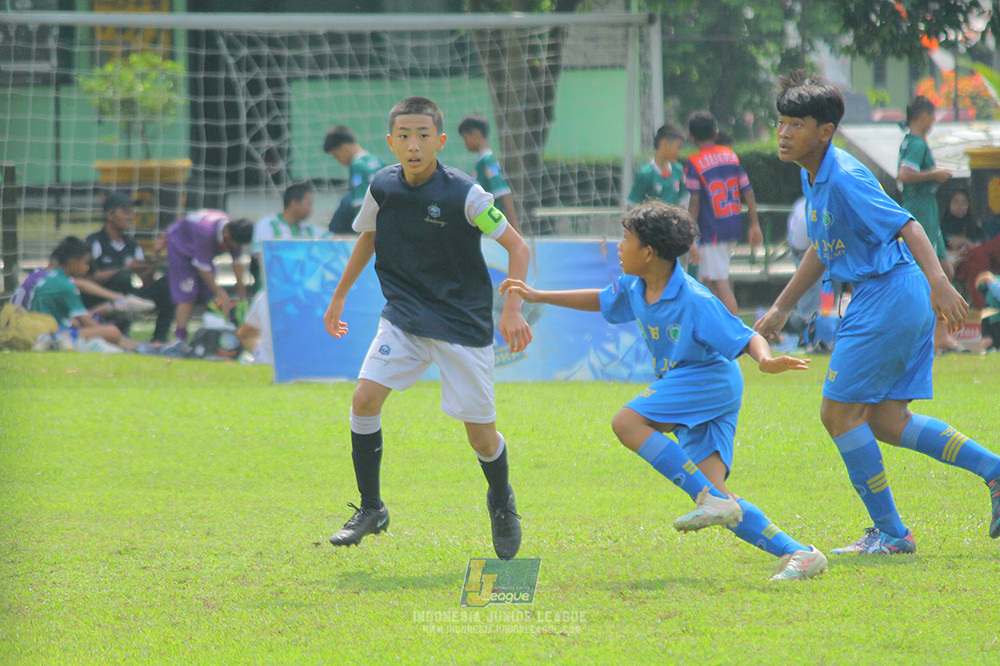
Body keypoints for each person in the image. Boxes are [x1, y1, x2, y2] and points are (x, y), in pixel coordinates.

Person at [499, 202, 826, 581]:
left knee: (626, 422)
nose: (619, 247)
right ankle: (800, 553)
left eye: (626, 239)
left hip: (708, 379)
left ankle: (713, 500)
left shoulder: (694, 299)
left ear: (649, 253)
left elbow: (747, 335)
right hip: (693, 383)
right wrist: (538, 296)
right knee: (718, 496)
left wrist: (765, 361)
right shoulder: (635, 286)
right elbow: (601, 300)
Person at [754, 70, 1000, 554]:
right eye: (781, 122)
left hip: (888, 293)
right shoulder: (814, 173)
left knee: (838, 414)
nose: (784, 133)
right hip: (891, 293)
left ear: (825, 131)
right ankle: (994, 471)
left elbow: (907, 223)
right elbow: (825, 249)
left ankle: (892, 534)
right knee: (887, 420)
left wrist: (940, 283)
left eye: (796, 124)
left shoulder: (842, 177)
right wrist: (783, 307)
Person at [322, 97, 532, 559]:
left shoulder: (466, 193)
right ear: (391, 142)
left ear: (439, 141)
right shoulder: (381, 187)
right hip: (404, 317)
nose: (413, 145)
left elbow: (518, 249)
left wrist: (512, 305)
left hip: (462, 323)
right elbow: (369, 239)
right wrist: (338, 295)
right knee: (363, 400)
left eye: (422, 136)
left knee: (481, 438)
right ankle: (372, 508)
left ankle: (501, 501)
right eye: (404, 136)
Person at [685, 110, 763, 314]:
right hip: (732, 225)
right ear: (716, 133)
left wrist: (690, 236)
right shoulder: (730, 156)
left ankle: (736, 334)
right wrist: (754, 223)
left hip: (712, 230)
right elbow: (747, 190)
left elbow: (695, 204)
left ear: (691, 136)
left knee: (720, 282)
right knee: (708, 280)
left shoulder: (694, 163)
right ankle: (718, 328)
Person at [898, 96, 957, 353]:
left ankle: (940, 333)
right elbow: (904, 174)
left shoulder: (912, 142)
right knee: (932, 276)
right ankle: (932, 336)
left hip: (928, 212)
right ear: (924, 117)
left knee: (946, 270)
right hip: (920, 211)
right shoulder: (917, 145)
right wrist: (935, 174)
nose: (933, 122)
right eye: (933, 117)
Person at [26, 236, 150, 352]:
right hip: (50, 333)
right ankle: (141, 348)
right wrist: (105, 323)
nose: (88, 268)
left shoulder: (53, 278)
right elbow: (88, 323)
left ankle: (142, 347)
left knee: (106, 331)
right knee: (111, 331)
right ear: (72, 262)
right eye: (86, 263)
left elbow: (73, 320)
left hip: (39, 329)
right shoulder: (66, 286)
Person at [84, 191, 174, 343]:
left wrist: (156, 254)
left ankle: (159, 339)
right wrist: (123, 268)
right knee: (122, 277)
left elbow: (145, 281)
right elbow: (85, 279)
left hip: (129, 298)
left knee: (169, 284)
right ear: (110, 215)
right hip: (100, 298)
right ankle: (117, 330)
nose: (131, 217)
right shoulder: (94, 242)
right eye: (126, 212)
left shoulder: (132, 245)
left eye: (132, 212)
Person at [165, 209, 253, 345]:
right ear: (226, 232)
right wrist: (222, 293)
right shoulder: (206, 231)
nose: (234, 247)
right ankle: (179, 339)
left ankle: (212, 336)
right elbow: (203, 269)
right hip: (180, 245)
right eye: (232, 242)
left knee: (209, 293)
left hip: (201, 250)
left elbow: (236, 263)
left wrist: (242, 297)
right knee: (188, 291)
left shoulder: (235, 235)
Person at [250, 182, 326, 291]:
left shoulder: (309, 229)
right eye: (309, 204)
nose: (311, 209)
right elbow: (261, 258)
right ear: (295, 203)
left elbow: (334, 240)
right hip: (272, 291)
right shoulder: (267, 224)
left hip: (302, 291)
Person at [457, 114, 522, 234]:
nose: (465, 144)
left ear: (476, 134)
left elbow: (503, 192)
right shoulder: (481, 162)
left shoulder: (488, 161)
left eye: (465, 139)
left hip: (492, 225)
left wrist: (515, 227)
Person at [324, 125, 385, 234]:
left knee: (346, 202)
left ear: (344, 148)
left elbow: (360, 205)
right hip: (386, 216)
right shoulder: (377, 160)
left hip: (373, 225)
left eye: (337, 156)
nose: (339, 161)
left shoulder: (357, 166)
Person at [626, 124, 687, 209]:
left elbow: (682, 205)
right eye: (678, 147)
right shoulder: (646, 174)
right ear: (665, 144)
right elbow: (631, 206)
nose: (679, 153)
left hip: (673, 222)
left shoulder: (678, 170)